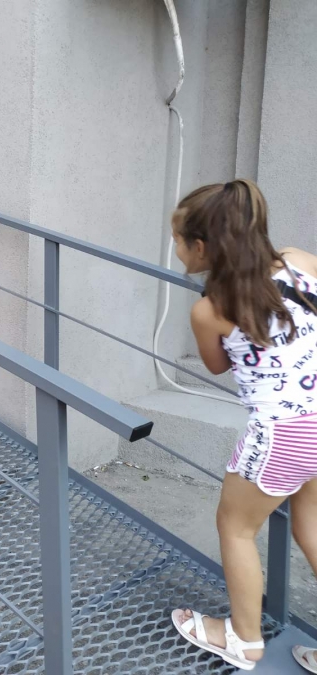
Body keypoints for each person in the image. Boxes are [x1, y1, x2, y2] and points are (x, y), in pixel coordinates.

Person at [170, 180, 317, 672]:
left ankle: (244, 640)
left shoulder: (210, 309)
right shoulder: (301, 260)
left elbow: (216, 365)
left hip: (283, 433)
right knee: (312, 526)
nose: (176, 249)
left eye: (178, 240)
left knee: (235, 528)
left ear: (202, 247)